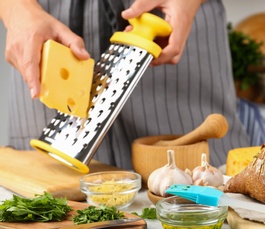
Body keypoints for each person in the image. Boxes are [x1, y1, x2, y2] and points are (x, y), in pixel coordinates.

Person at [0, 0, 251, 170]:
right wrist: (16, 9)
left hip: (169, 23)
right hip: (44, 34)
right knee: (49, 208)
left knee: (201, 192)